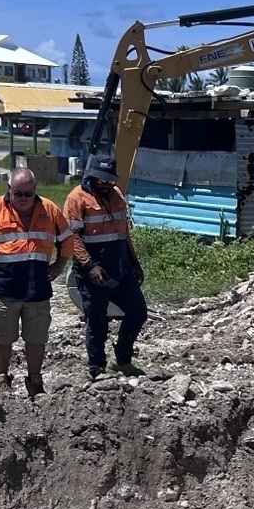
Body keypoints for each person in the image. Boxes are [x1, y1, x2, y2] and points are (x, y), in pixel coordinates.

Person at [0, 166, 68, 398]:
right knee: (2, 337)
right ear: (9, 189)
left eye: (27, 194)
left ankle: (35, 381)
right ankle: (1, 379)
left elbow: (68, 238)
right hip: (5, 285)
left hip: (37, 286)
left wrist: (60, 264)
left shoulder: (49, 209)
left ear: (35, 190)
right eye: (17, 193)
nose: (22, 199)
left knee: (37, 337)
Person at [61, 153, 149, 381]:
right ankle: (96, 367)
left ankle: (122, 359)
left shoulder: (117, 194)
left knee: (138, 311)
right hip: (93, 273)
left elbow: (123, 232)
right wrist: (90, 266)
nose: (107, 185)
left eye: (110, 180)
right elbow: (73, 237)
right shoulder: (77, 198)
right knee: (97, 319)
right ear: (91, 177)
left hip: (120, 269)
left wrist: (134, 262)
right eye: (102, 181)